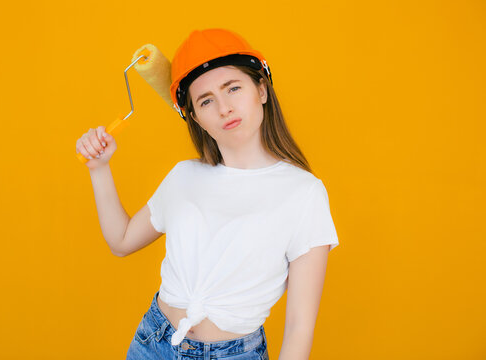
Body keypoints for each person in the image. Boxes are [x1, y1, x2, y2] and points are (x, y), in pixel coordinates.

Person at [75, 28, 340, 360]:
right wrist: (99, 168)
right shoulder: (184, 177)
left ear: (261, 90)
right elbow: (122, 240)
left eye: (233, 88)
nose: (224, 108)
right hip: (154, 342)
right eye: (206, 100)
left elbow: (300, 326)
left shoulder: (304, 194)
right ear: (196, 118)